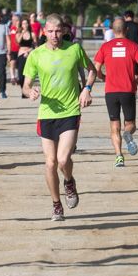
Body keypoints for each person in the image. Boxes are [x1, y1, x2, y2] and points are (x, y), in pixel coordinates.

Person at [21, 15, 94, 221]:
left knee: (63, 160)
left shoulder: (74, 49)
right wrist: (30, 92)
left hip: (70, 111)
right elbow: (25, 85)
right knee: (50, 163)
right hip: (46, 113)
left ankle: (69, 182)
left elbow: (92, 70)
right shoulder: (36, 55)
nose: (54, 35)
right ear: (44, 31)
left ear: (63, 30)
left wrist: (86, 89)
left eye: (58, 31)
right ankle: (56, 204)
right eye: (51, 31)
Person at [93, 28, 138, 167]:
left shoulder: (105, 47)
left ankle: (119, 156)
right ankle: (128, 134)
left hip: (111, 92)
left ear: (113, 31)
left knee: (114, 125)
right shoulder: (133, 46)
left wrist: (103, 77)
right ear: (126, 30)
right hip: (128, 90)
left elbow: (96, 68)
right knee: (130, 124)